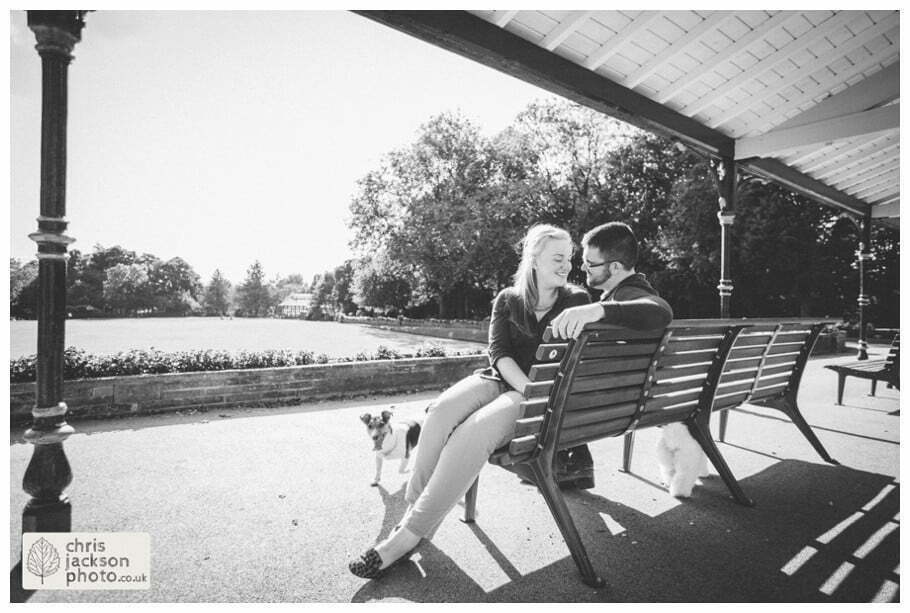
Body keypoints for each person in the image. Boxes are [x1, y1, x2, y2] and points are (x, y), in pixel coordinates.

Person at [348, 224, 590, 579]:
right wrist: (524, 387)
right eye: (558, 257)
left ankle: (404, 538)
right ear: (533, 258)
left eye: (569, 258)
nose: (567, 265)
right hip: (503, 380)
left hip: (538, 395)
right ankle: (414, 516)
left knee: (470, 435)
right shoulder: (508, 299)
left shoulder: (577, 301)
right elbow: (499, 353)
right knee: (441, 413)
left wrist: (530, 392)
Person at [549, 221, 674, 488]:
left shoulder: (631, 293)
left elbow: (661, 310)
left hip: (610, 406)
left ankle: (559, 462)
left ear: (615, 267)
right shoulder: (626, 293)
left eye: (590, 263)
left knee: (552, 381)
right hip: (631, 401)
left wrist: (598, 310)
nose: (582, 268)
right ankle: (575, 462)